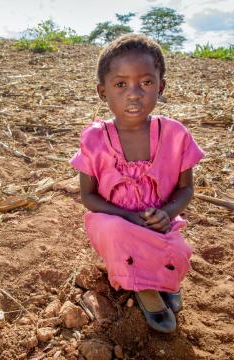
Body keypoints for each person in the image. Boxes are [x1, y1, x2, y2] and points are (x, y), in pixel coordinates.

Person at [70, 34, 204, 333]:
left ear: (161, 86)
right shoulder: (94, 139)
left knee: (179, 251)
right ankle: (144, 289)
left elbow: (186, 189)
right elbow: (89, 198)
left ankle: (163, 279)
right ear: (102, 92)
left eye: (145, 83)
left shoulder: (175, 135)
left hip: (159, 221)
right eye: (120, 84)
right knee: (117, 233)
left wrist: (167, 214)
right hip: (115, 222)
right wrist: (129, 216)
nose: (134, 94)